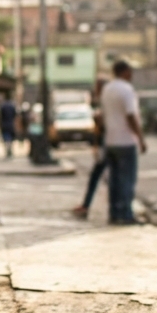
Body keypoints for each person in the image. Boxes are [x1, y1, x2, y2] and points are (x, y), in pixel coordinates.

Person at [100, 60, 148, 225]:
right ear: (125, 72)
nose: (132, 75)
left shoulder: (107, 88)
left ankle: (114, 212)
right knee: (127, 179)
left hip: (111, 140)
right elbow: (130, 116)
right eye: (130, 71)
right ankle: (126, 213)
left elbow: (103, 115)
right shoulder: (127, 89)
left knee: (114, 179)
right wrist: (140, 138)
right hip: (126, 140)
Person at [71, 78, 110, 219]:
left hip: (109, 143)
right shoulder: (100, 102)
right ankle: (87, 205)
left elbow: (102, 127)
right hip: (104, 143)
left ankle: (116, 207)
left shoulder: (107, 101)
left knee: (104, 177)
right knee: (98, 176)